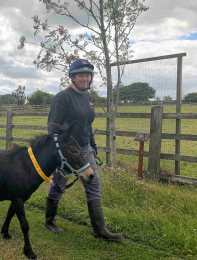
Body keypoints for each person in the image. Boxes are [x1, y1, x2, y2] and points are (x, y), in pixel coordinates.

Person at [44, 59, 123, 241]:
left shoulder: (87, 98)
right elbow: (52, 130)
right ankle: (49, 221)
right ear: (72, 77)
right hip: (67, 151)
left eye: (87, 75)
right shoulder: (62, 98)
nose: (85, 79)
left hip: (85, 148)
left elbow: (87, 125)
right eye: (81, 75)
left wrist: (93, 147)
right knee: (58, 184)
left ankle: (100, 230)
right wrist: (59, 155)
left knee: (93, 183)